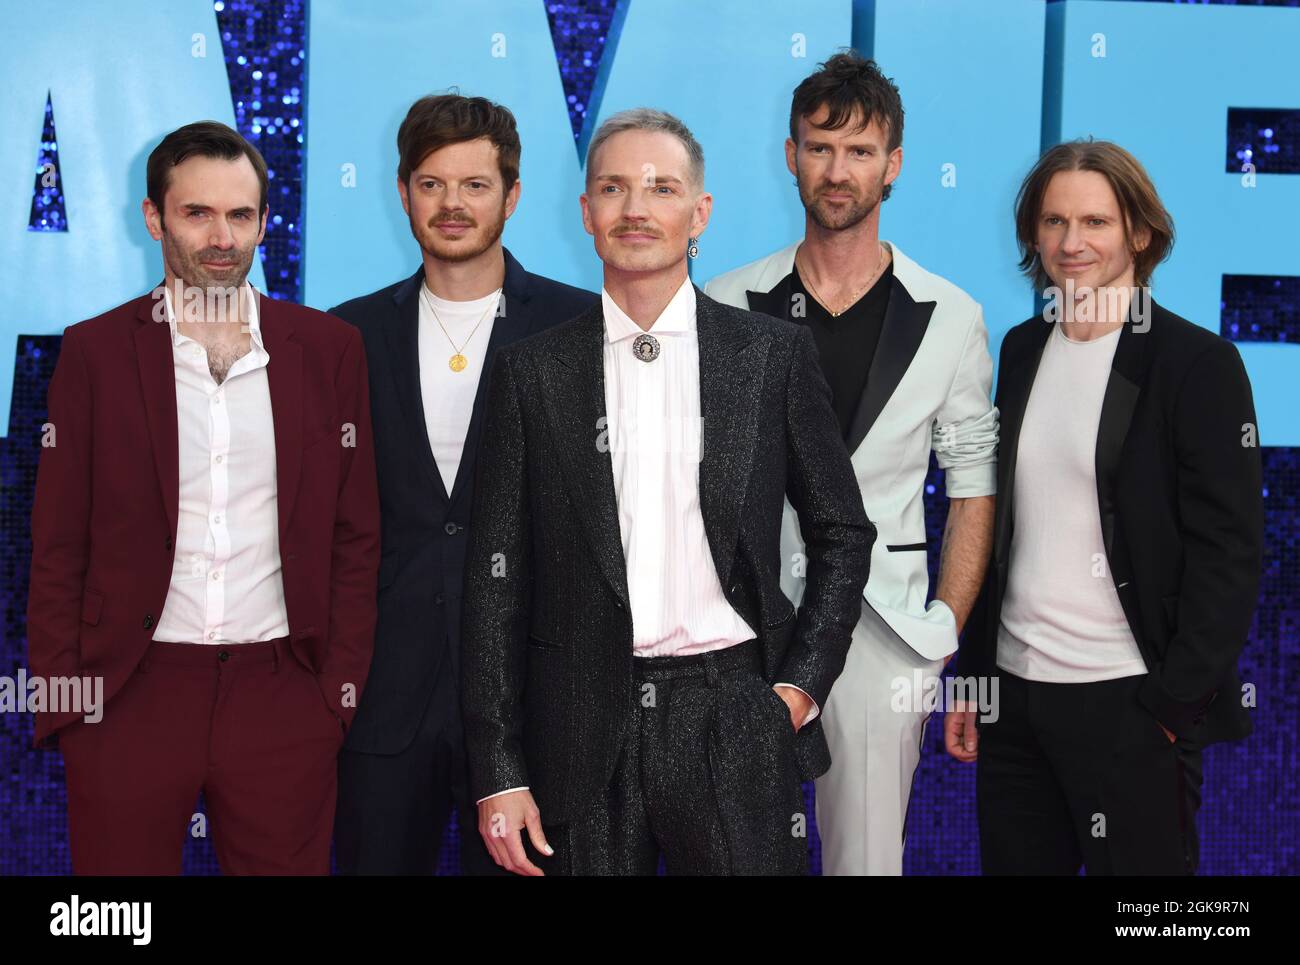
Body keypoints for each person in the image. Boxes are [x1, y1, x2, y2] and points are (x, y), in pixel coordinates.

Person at [461, 107, 874, 875]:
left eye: (661, 188)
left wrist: (798, 689)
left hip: (733, 713)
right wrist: (500, 770)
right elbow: (496, 583)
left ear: (699, 213)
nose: (636, 209)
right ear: (586, 214)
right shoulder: (531, 372)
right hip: (576, 718)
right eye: (613, 188)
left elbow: (843, 531)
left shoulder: (769, 356)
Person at [27, 121, 380, 874]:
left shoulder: (327, 350)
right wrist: (71, 710)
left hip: (284, 694)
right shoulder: (93, 352)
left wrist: (330, 703)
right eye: (197, 213)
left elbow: (355, 536)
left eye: (241, 215)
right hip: (129, 692)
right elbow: (57, 544)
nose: (222, 237)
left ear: (261, 223)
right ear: (154, 217)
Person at [705, 51, 997, 876]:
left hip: (885, 629)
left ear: (893, 165)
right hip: (743, 627)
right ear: (791, 155)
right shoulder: (726, 301)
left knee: (867, 861)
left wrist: (942, 627)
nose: (839, 171)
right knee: (731, 852)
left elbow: (974, 487)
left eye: (860, 150)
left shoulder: (950, 315)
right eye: (821, 147)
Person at [945, 139, 1264, 875]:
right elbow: (998, 532)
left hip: (1131, 705)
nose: (1071, 242)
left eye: (1095, 222)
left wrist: (1169, 707)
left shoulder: (1196, 364)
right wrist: (974, 675)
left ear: (1140, 234)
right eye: (1054, 222)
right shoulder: (1022, 350)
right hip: (1016, 703)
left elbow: (1232, 551)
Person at [328, 94, 596, 875]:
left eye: (475, 185)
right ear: (403, 191)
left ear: (512, 196)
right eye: (432, 183)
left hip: (532, 705)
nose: (452, 204)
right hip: (382, 699)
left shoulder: (581, 327)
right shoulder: (347, 335)